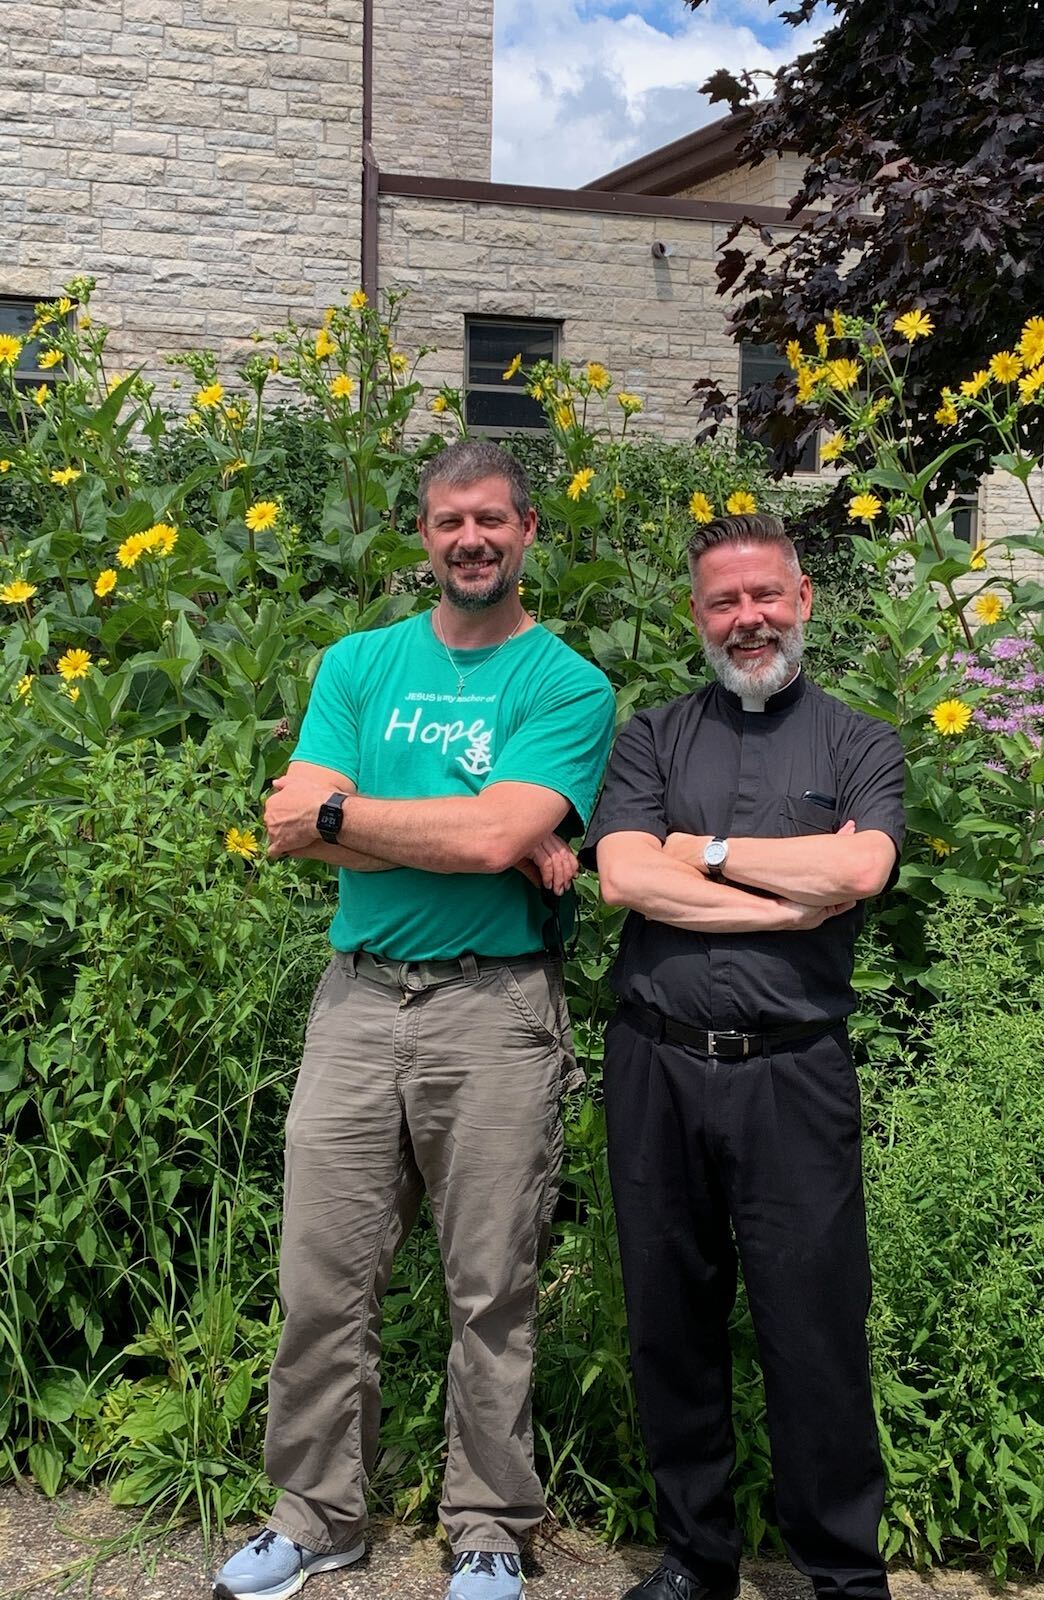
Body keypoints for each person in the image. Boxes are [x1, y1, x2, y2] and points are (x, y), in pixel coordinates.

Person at [213, 440, 615, 1600]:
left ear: (529, 530)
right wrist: (477, 825)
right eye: (449, 522)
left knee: (490, 1282)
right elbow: (292, 823)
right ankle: (316, 1514)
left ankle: (489, 1524)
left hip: (494, 1008)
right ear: (425, 535)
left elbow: (485, 838)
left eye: (492, 519)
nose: (470, 540)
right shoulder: (358, 663)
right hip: (358, 998)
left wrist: (369, 813)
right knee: (320, 1276)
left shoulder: (565, 684)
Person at [583, 512, 905, 1600]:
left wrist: (708, 854)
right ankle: (696, 1557)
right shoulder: (652, 738)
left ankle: (843, 1574)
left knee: (814, 1331)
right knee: (668, 1322)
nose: (748, 618)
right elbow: (625, 877)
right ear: (698, 615)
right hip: (656, 1065)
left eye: (765, 595)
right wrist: (783, 902)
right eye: (724, 601)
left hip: (794, 1077)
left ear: (803, 598)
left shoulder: (860, 742)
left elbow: (860, 871)